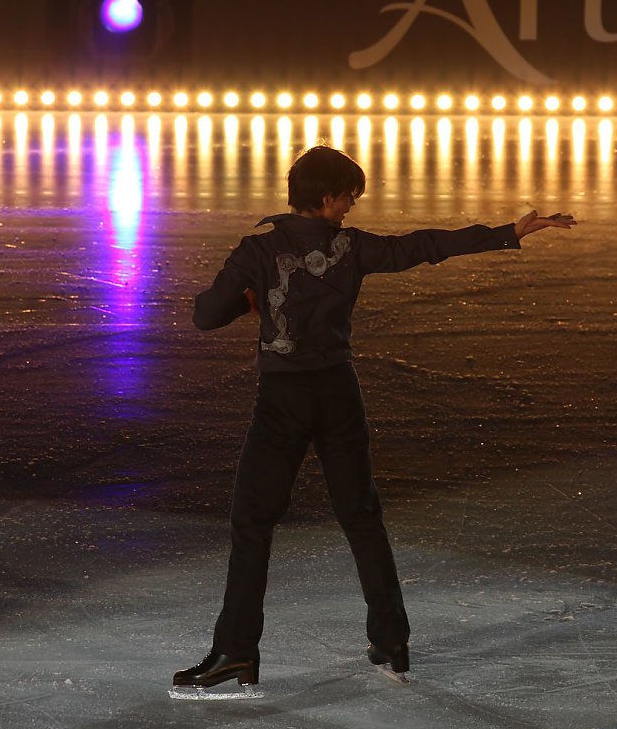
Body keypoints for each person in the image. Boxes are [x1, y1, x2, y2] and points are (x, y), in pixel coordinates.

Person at [173, 145, 574, 691]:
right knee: (360, 517)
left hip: (283, 400)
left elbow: (204, 316)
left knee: (251, 525)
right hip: (338, 393)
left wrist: (249, 300)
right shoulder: (350, 247)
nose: (351, 207)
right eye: (348, 197)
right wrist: (506, 232)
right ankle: (390, 638)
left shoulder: (258, 250)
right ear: (326, 196)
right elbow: (422, 247)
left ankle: (237, 651)